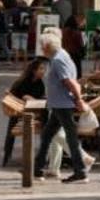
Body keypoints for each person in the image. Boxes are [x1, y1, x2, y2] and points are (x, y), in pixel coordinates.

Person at [34, 29, 87, 183]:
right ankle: (38, 168)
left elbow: (69, 82)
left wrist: (78, 99)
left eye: (42, 45)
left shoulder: (58, 60)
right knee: (47, 135)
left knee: (70, 137)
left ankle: (80, 171)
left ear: (48, 46)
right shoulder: (61, 56)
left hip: (62, 105)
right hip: (58, 104)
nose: (41, 48)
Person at [1, 56, 46, 167]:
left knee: (47, 119)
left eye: (43, 69)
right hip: (19, 113)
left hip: (33, 112)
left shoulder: (40, 83)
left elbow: (39, 98)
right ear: (34, 71)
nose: (43, 71)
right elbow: (15, 97)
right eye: (41, 69)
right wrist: (26, 99)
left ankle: (44, 153)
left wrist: (33, 100)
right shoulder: (23, 82)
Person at [61, 12, 86, 78]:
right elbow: (80, 44)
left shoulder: (63, 31)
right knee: (76, 70)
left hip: (65, 53)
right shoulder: (76, 32)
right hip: (75, 54)